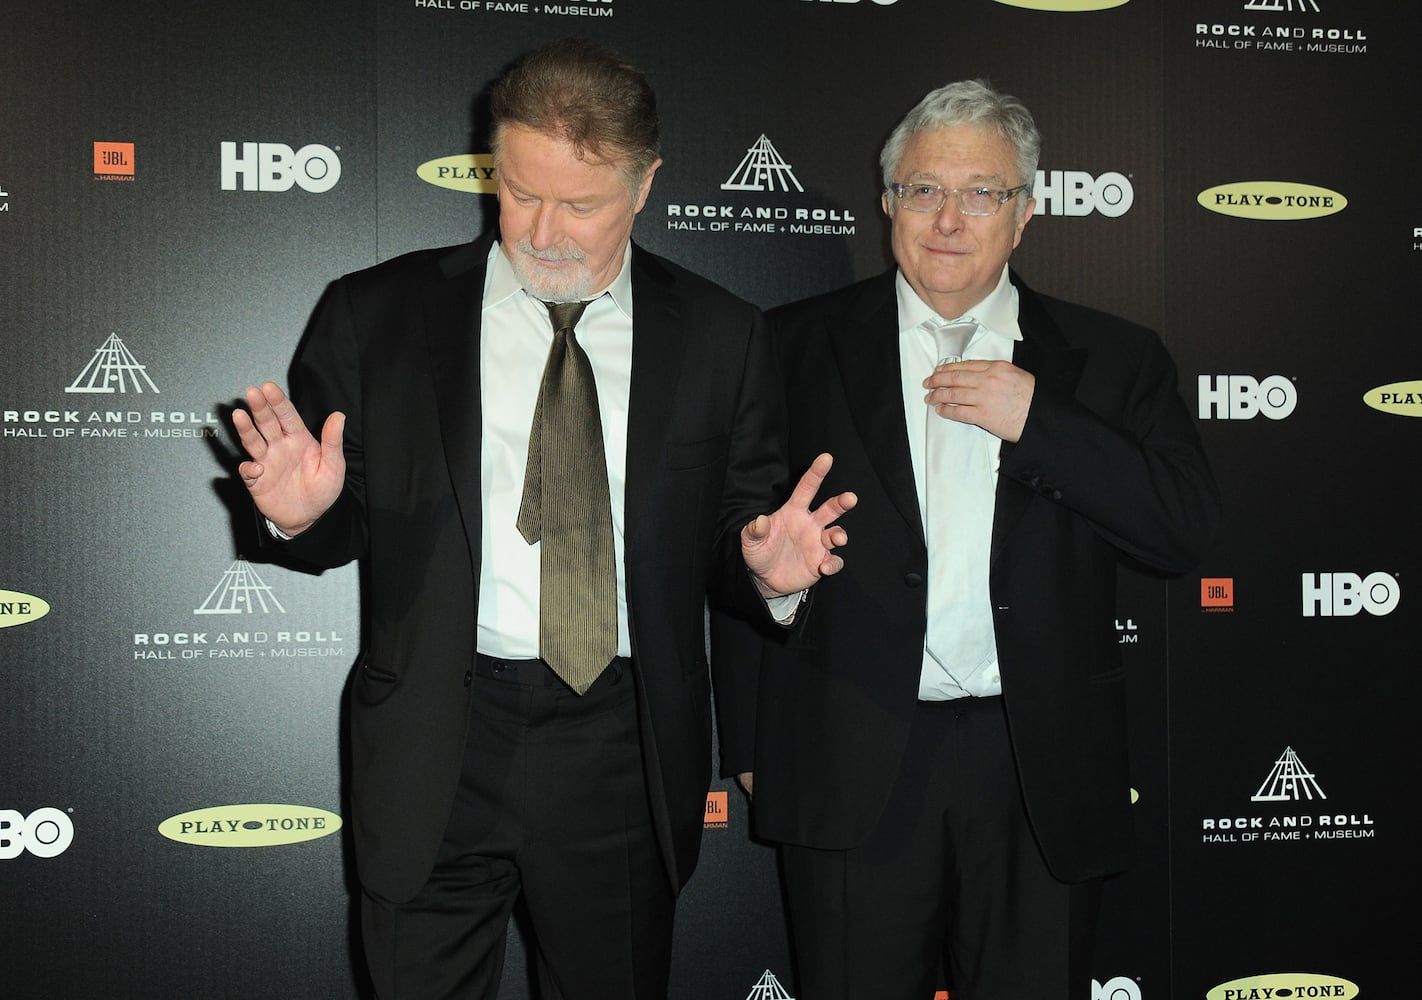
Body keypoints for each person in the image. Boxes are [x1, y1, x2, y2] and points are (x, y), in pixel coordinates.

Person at [231, 39, 852, 1000]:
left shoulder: (722, 335)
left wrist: (766, 573)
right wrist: (298, 518)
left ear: (645, 185)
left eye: (582, 204)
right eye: (519, 193)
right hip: (436, 738)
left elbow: (737, 534)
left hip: (623, 741)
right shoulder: (375, 314)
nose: (544, 231)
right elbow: (338, 521)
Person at [713, 80, 1219, 1000]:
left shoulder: (1116, 359)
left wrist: (1042, 422)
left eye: (982, 193)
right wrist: (752, 735)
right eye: (923, 190)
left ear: (1025, 212)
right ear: (887, 203)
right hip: (848, 753)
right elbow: (736, 546)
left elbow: (1180, 532)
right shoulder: (785, 348)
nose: (948, 219)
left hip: (1038, 771)